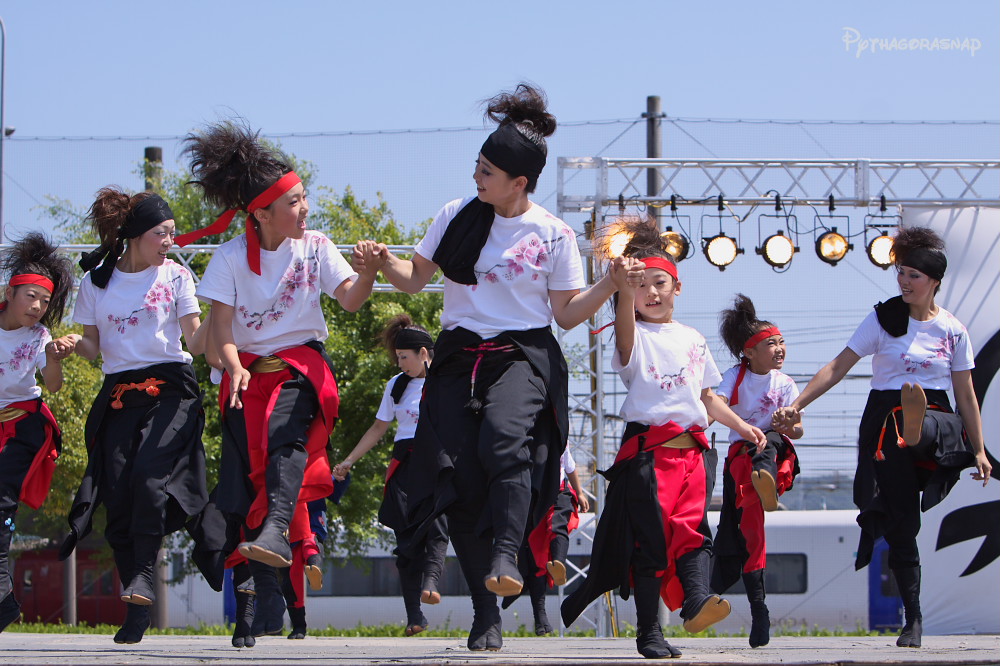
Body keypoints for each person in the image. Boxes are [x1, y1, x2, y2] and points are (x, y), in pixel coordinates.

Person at [353, 84, 622, 651]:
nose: (477, 177)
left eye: (488, 171)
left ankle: (508, 549)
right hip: (457, 356)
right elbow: (416, 278)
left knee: (505, 441)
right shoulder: (456, 215)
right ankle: (487, 611)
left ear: (519, 183)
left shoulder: (552, 233)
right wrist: (382, 265)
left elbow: (567, 315)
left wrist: (610, 284)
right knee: (459, 479)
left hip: (521, 355)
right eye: (477, 166)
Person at [176, 120, 378, 642]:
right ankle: (263, 589)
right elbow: (219, 331)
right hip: (246, 379)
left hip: (301, 369)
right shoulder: (227, 260)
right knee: (245, 488)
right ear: (261, 212)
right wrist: (236, 365)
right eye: (293, 202)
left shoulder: (315, 247)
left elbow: (351, 298)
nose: (304, 208)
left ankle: (276, 531)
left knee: (288, 437)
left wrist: (370, 271)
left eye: (304, 197)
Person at [773, 226, 991, 649]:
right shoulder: (882, 318)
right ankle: (913, 618)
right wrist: (798, 404)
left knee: (920, 421)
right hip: (884, 420)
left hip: (936, 412)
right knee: (902, 523)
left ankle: (916, 427)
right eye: (901, 273)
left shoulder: (952, 330)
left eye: (914, 276)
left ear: (934, 283)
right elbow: (837, 367)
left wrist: (980, 449)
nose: (904, 282)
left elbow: (966, 392)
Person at [561, 220, 766, 660]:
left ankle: (695, 602)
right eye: (642, 287)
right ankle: (649, 633)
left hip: (695, 456)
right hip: (650, 456)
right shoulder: (630, 334)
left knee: (694, 534)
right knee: (650, 543)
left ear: (678, 288)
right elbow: (625, 330)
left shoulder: (692, 338)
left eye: (661, 284)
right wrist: (620, 287)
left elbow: (708, 396)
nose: (651, 293)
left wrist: (743, 426)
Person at [60, 188, 210, 645]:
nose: (170, 240)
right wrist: (70, 346)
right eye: (161, 233)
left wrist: (224, 320)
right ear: (135, 235)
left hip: (171, 389)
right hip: (120, 391)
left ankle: (144, 573)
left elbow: (196, 341)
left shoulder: (177, 276)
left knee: (149, 475)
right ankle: (136, 598)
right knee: (118, 489)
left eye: (172, 233)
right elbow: (93, 346)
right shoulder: (96, 283)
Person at [334, 314, 446, 637]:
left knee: (437, 526)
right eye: (397, 358)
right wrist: (349, 461)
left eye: (405, 358)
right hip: (403, 466)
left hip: (435, 462)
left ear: (425, 353)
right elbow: (378, 428)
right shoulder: (395, 386)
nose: (400, 364)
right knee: (405, 544)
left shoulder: (443, 382)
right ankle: (415, 617)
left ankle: (432, 581)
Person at [710, 294, 802, 648]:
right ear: (749, 352)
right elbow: (715, 403)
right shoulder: (735, 377)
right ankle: (758, 610)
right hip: (741, 461)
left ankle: (768, 484)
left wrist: (789, 423)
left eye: (781, 342)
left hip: (777, 456)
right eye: (770, 343)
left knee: (774, 438)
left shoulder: (785, 384)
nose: (779, 349)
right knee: (748, 533)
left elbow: (797, 433)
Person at [0, 233, 73, 633]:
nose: (38, 307)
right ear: (9, 293)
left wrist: (56, 358)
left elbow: (54, 386)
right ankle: (5, 601)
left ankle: (1, 590)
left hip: (23, 426)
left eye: (44, 301)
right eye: (30, 296)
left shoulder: (40, 337)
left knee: (2, 503)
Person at [513, 448, 590, 635]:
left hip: (559, 491)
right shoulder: (523, 431)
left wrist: (579, 492)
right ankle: (541, 619)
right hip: (532, 497)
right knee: (536, 558)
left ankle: (558, 563)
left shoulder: (559, 434)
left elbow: (570, 466)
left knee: (558, 525)